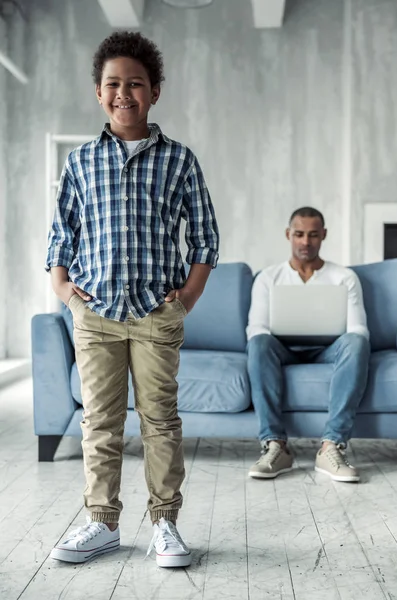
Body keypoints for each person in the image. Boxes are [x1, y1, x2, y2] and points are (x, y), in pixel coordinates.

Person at [45, 31, 219, 567]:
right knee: (99, 422)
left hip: (154, 315)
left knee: (160, 421)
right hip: (94, 314)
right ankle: (102, 523)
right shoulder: (79, 162)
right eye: (114, 84)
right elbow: (60, 236)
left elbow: (206, 238)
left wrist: (184, 300)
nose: (125, 93)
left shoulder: (180, 161)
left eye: (136, 84)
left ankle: (165, 523)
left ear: (155, 92)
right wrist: (64, 291)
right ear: (98, 93)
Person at [247, 207, 370, 483]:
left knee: (357, 341)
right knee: (258, 342)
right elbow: (256, 327)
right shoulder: (268, 278)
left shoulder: (344, 277)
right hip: (282, 349)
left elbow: (357, 327)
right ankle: (275, 446)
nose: (305, 242)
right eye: (299, 234)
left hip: (330, 349)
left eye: (313, 235)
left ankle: (331, 447)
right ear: (288, 234)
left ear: (323, 235)